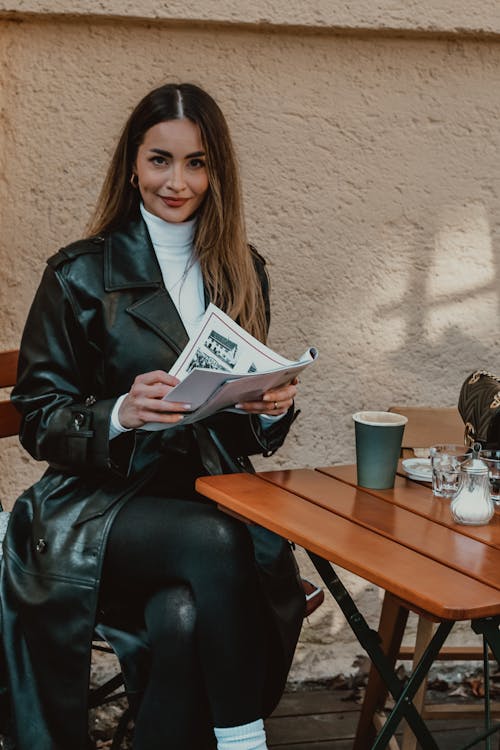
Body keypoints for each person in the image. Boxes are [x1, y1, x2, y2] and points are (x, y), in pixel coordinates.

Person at [2, 82, 306, 750]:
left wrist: (267, 403)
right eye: (159, 160)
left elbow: (242, 424)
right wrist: (119, 413)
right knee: (219, 542)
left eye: (195, 162)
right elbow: (36, 418)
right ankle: (244, 740)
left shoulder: (240, 270)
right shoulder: (79, 275)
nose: (176, 181)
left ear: (216, 169)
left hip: (199, 493)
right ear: (132, 164)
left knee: (183, 616)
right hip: (94, 508)